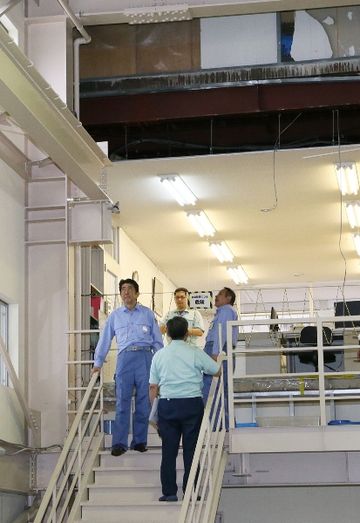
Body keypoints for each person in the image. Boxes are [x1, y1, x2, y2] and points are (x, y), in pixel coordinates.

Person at [149, 316, 221, 502]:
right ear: (187, 332)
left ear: (169, 334)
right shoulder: (195, 352)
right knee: (191, 450)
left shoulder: (159, 355)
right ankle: (190, 492)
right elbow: (217, 370)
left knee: (169, 451)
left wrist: (154, 412)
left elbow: (153, 387)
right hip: (191, 404)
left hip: (168, 404)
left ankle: (169, 493)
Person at [92, 278, 163, 456]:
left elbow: (157, 341)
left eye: (130, 289)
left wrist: (161, 364)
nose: (126, 292)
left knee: (143, 402)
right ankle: (119, 443)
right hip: (124, 358)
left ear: (137, 293)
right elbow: (105, 339)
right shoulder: (115, 316)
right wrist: (97, 363)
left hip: (146, 357)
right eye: (123, 289)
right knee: (122, 400)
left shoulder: (147, 314)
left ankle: (139, 441)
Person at [202, 287, 238, 429]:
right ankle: (225, 427)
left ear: (228, 298)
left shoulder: (226, 310)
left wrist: (216, 353)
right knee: (220, 392)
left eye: (220, 294)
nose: (216, 296)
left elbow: (221, 332)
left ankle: (220, 428)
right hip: (218, 350)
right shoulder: (221, 312)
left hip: (218, 351)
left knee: (213, 392)